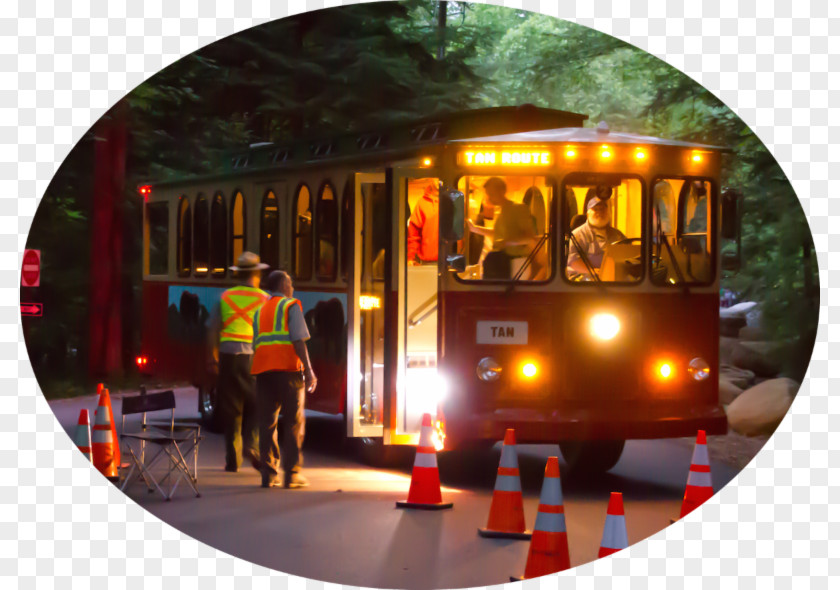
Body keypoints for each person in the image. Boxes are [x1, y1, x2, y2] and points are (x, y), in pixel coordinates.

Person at [252, 270, 317, 489]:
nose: (293, 287)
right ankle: (292, 475)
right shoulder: (291, 306)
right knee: (293, 423)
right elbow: (299, 340)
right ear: (283, 285)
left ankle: (269, 475)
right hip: (288, 372)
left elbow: (256, 344)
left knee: (267, 424)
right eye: (290, 283)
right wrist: (309, 371)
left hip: (263, 373)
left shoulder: (259, 311)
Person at [208, 251, 269, 473]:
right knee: (257, 404)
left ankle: (232, 460)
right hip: (251, 358)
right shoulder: (265, 299)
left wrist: (212, 358)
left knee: (231, 409)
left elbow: (213, 329)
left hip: (227, 358)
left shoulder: (224, 297)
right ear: (256, 274)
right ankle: (251, 446)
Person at [466, 177, 536, 277]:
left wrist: (507, 242)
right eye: (488, 195)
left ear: (502, 191)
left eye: (492, 194)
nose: (489, 198)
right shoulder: (502, 212)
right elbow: (496, 233)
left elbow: (529, 238)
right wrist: (474, 228)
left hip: (516, 262)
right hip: (504, 261)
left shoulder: (519, 209)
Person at [566, 188, 626, 278]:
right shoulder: (578, 235)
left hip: (613, 280)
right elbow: (574, 262)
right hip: (584, 281)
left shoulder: (618, 235)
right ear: (588, 214)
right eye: (595, 209)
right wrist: (593, 272)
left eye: (602, 209)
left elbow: (627, 255)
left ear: (607, 212)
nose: (599, 212)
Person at [407, 181, 440, 265]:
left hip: (452, 262)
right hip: (429, 263)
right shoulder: (422, 204)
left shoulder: (455, 201)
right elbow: (414, 234)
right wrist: (410, 257)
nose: (438, 180)